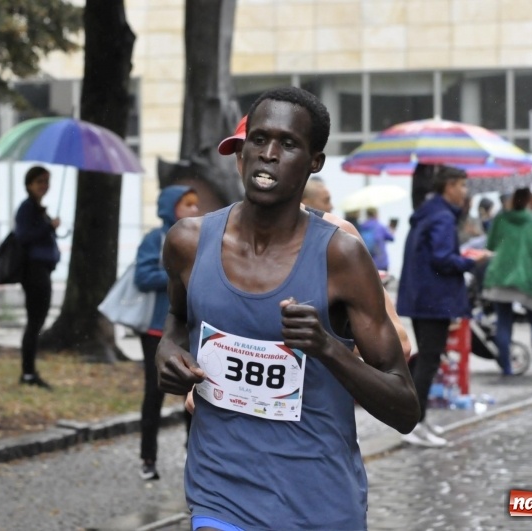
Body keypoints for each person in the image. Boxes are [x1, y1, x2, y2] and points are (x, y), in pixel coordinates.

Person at [157, 87, 419, 531]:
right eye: (258, 140)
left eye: (288, 144)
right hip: (221, 494)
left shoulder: (342, 258)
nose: (269, 154)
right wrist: (168, 354)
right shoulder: (187, 241)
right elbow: (178, 321)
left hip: (319, 502)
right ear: (241, 151)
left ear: (315, 161)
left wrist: (327, 348)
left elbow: (405, 409)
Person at [218, 114, 412, 362]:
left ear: (310, 161)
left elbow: (400, 344)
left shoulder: (337, 237)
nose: (263, 157)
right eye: (247, 148)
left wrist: (323, 343)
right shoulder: (213, 237)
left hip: (315, 400)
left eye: (285, 146)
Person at [396, 166, 491, 447]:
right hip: (433, 299)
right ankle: (413, 422)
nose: (465, 191)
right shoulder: (441, 216)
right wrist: (472, 261)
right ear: (448, 186)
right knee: (429, 360)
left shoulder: (431, 212)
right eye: (462, 185)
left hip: (423, 297)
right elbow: (442, 258)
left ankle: (417, 420)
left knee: (427, 359)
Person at [134, 185, 200, 481]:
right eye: (187, 204)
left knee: (194, 390)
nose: (194, 211)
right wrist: (177, 272)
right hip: (155, 330)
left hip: (189, 328)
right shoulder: (155, 239)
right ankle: (148, 458)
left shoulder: (198, 237)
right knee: (155, 394)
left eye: (195, 205)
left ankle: (194, 453)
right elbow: (142, 276)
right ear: (170, 208)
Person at [482, 187, 532, 376]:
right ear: (529, 200)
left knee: (504, 322)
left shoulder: (500, 218)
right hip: (528, 278)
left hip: (501, 276)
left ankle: (506, 367)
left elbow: (490, 244)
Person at [13, 166, 61, 390]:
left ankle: (30, 370)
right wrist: (48, 227)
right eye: (40, 181)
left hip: (42, 270)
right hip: (34, 272)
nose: (44, 186)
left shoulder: (37, 209)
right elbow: (24, 236)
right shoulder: (27, 209)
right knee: (35, 322)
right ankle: (28, 372)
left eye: (47, 181)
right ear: (29, 183)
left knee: (37, 322)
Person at [358, 207, 395, 272]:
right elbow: (391, 238)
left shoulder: (362, 226)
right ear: (375, 214)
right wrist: (392, 229)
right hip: (381, 262)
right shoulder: (380, 226)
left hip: (367, 263)